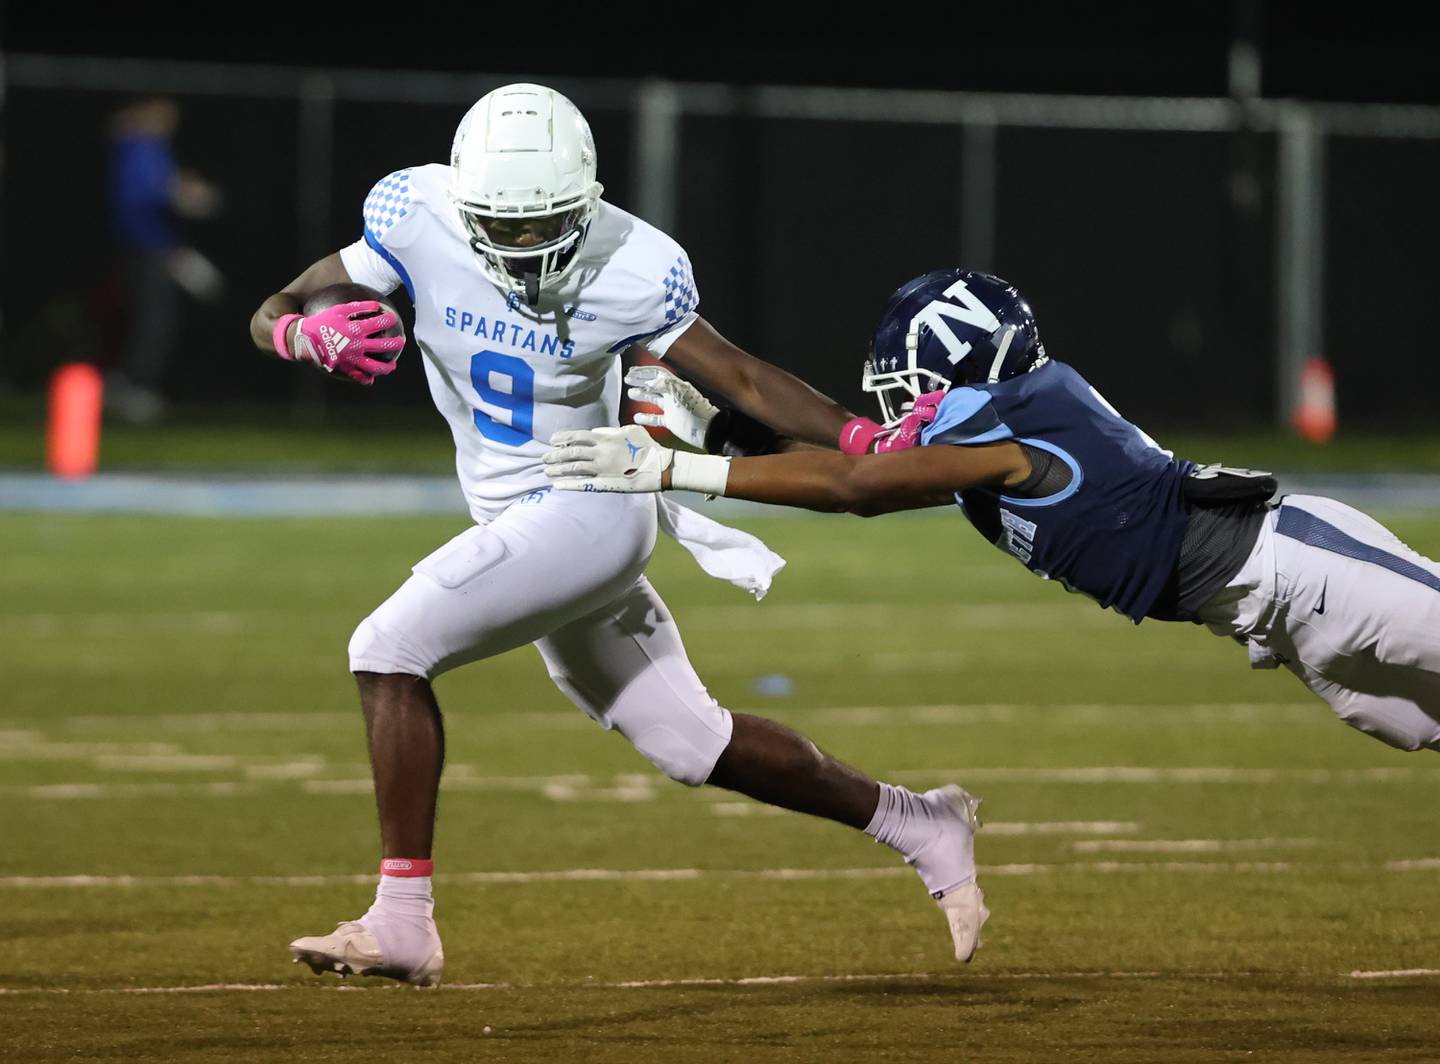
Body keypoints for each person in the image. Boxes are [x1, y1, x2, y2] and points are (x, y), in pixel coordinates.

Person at [249, 87, 988, 988]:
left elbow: (742, 378)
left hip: (590, 504)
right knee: (693, 744)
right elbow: (285, 299)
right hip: (516, 513)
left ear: (587, 199)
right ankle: (918, 821)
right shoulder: (413, 211)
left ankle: (402, 920)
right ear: (465, 205)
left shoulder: (637, 262)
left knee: (386, 647)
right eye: (502, 227)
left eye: (543, 224)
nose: (523, 246)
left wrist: (856, 435)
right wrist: (299, 331)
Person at [544, 268, 1440, 756]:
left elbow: (858, 486)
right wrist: (730, 432)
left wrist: (678, 469)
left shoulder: (1008, 419)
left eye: (914, 388)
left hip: (1303, 566)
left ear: (960, 371)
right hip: (1271, 620)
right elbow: (855, 453)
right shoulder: (992, 427)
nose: (899, 409)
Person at [107, 97, 223, 423]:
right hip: (149, 249)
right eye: (162, 115)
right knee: (154, 319)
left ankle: (132, 385)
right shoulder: (141, 148)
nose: (168, 122)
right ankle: (132, 388)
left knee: (158, 317)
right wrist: (190, 194)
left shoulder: (148, 149)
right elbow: (152, 195)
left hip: (159, 247)